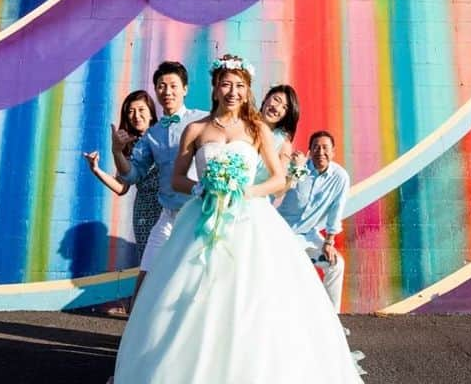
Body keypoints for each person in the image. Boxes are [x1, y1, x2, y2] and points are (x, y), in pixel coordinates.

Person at [112, 55, 362, 383]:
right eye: (227, 84)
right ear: (215, 87)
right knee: (191, 294)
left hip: (250, 221)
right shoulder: (196, 129)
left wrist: (246, 192)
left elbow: (275, 179)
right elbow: (177, 180)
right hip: (201, 220)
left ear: (246, 91)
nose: (233, 91)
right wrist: (203, 186)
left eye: (240, 86)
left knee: (251, 295)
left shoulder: (256, 128)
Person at [112, 61, 205, 296]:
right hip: (168, 217)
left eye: (173, 85)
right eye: (161, 86)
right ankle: (136, 333)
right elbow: (132, 174)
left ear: (185, 89)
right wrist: (116, 151)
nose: (167, 92)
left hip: (197, 216)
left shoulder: (203, 121)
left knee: (193, 284)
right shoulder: (152, 135)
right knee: (145, 283)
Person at [82, 90, 158, 309]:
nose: (136, 115)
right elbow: (121, 187)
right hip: (145, 211)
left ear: (151, 113)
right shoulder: (127, 145)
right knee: (149, 265)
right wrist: (96, 170)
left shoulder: (165, 135)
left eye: (141, 110)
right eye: (131, 111)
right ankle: (141, 315)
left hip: (171, 207)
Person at [277, 130, 350, 312]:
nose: (321, 152)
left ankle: (332, 321)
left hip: (309, 235)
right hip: (281, 232)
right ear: (309, 151)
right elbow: (277, 193)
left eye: (325, 148)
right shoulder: (298, 169)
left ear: (333, 152)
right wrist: (294, 170)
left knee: (335, 264)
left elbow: (336, 210)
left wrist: (329, 242)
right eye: (316, 147)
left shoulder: (340, 177)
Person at [252, 84, 300, 186]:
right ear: (266, 98)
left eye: (284, 108)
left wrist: (296, 169)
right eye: (276, 100)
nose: (277, 108)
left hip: (252, 198)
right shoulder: (243, 122)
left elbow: (278, 191)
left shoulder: (283, 143)